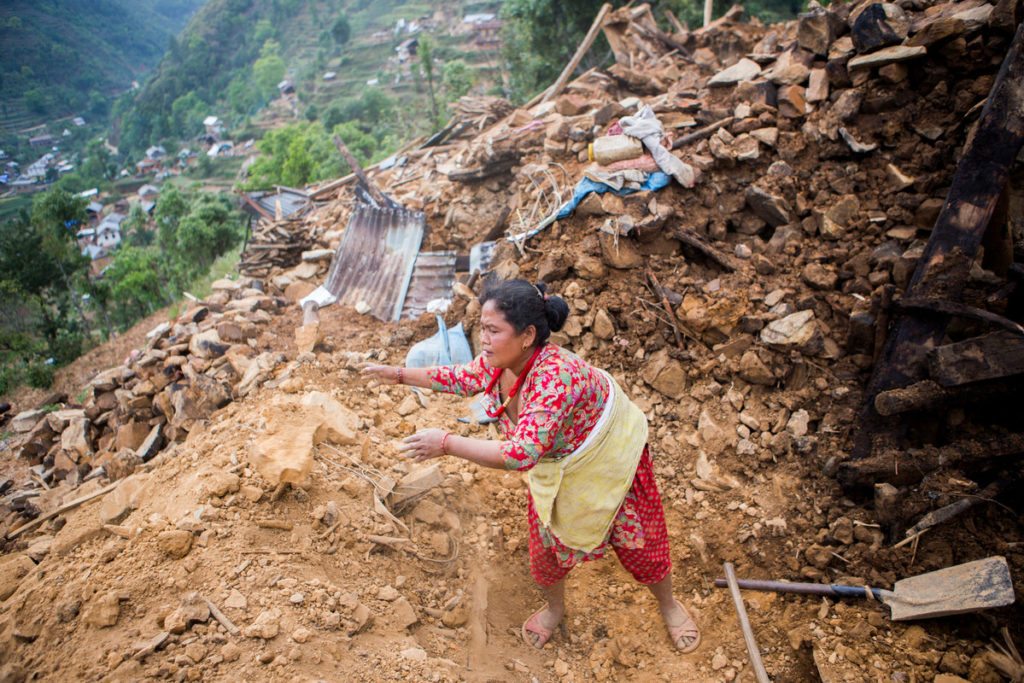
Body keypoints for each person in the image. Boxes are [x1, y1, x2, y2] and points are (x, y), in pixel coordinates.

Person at [362, 279, 700, 652]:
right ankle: (554, 609)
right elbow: (461, 377)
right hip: (557, 466)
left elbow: (520, 454)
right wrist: (396, 374)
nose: (484, 339)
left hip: (608, 458)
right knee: (546, 550)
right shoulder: (499, 363)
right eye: (482, 329)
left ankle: (669, 605)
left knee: (640, 543)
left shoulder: (554, 378)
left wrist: (445, 443)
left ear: (527, 336)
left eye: (493, 331)